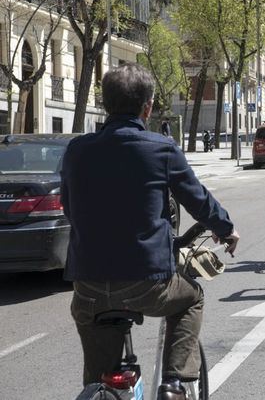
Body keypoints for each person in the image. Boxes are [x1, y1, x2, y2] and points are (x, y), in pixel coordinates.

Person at [60, 63, 240, 400]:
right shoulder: (160, 149)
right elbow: (198, 200)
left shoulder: (77, 150)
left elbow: (69, 208)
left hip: (88, 284)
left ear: (105, 104)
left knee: (100, 366)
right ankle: (174, 383)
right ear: (148, 107)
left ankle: (100, 388)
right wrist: (225, 228)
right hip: (147, 283)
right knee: (191, 298)